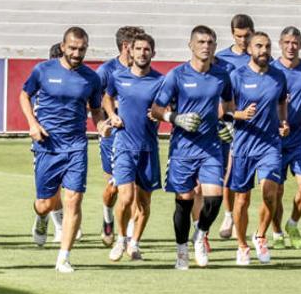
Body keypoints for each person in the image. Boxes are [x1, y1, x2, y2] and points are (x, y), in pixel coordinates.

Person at [19, 27, 106, 273]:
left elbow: (96, 109)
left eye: (82, 49)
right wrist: (32, 124)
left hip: (76, 145)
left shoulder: (92, 78)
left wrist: (102, 126)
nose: (77, 53)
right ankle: (42, 217)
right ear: (63, 46)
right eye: (73, 48)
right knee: (45, 203)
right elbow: (24, 96)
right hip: (47, 144)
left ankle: (64, 257)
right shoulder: (43, 70)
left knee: (73, 199)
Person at [151, 25, 233, 270]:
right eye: (200, 42)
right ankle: (181, 250)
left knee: (215, 199)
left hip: (211, 147)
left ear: (215, 46)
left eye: (210, 42)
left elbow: (228, 104)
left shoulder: (222, 76)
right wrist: (175, 118)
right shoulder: (176, 75)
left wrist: (228, 123)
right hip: (183, 148)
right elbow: (156, 110)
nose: (205, 46)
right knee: (184, 201)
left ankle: (201, 234)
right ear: (190, 45)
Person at [228, 32, 288, 265]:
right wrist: (239, 115)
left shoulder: (278, 76)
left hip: (270, 144)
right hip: (243, 145)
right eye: (259, 46)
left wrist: (283, 122)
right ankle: (242, 245)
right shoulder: (237, 76)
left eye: (267, 46)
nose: (264, 50)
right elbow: (223, 109)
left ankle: (260, 235)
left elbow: (282, 101)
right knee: (242, 200)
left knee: (270, 192)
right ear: (250, 49)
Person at [103, 33, 163, 261]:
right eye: (138, 49)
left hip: (148, 148)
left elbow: (166, 106)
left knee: (144, 202)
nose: (142, 53)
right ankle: (120, 239)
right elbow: (107, 98)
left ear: (152, 53)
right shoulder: (118, 77)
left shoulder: (160, 80)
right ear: (131, 51)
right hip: (124, 146)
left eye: (146, 49)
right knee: (125, 197)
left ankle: (135, 243)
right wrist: (111, 115)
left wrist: (159, 114)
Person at [270, 27, 301, 250]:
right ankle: (277, 231)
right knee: (275, 190)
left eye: (295, 42)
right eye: (287, 42)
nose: (291, 47)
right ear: (280, 43)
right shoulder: (270, 70)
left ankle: (292, 223)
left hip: (300, 137)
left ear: (300, 44)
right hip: (275, 138)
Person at [95, 26, 142, 246]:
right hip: (113, 137)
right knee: (114, 188)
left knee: (133, 190)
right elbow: (95, 102)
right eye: (137, 47)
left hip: (138, 138)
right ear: (126, 47)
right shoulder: (106, 71)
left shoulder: (143, 70)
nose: (142, 52)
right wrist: (106, 120)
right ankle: (107, 217)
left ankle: (130, 237)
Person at [216, 14, 254, 240]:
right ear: (232, 35)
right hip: (230, 123)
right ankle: (229, 215)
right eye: (238, 36)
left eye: (246, 35)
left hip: (256, 126)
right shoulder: (222, 59)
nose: (242, 40)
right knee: (229, 172)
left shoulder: (260, 56)